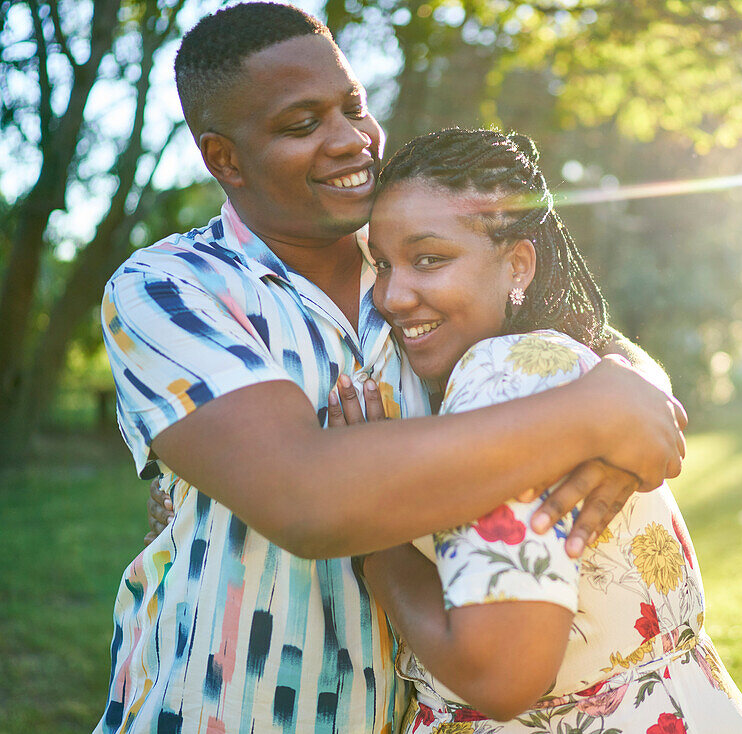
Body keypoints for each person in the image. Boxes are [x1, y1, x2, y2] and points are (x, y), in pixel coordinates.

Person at [96, 4, 686, 733]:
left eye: (353, 107)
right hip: (219, 712)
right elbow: (306, 500)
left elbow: (572, 339)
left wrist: (637, 392)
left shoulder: (413, 265)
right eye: (302, 124)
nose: (351, 140)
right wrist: (588, 419)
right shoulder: (170, 288)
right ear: (225, 159)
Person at [329, 128, 742, 733]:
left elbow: (502, 676)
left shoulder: (501, 373)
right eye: (382, 263)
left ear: (518, 264)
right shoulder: (564, 362)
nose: (392, 296)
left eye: (429, 259)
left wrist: (371, 535)